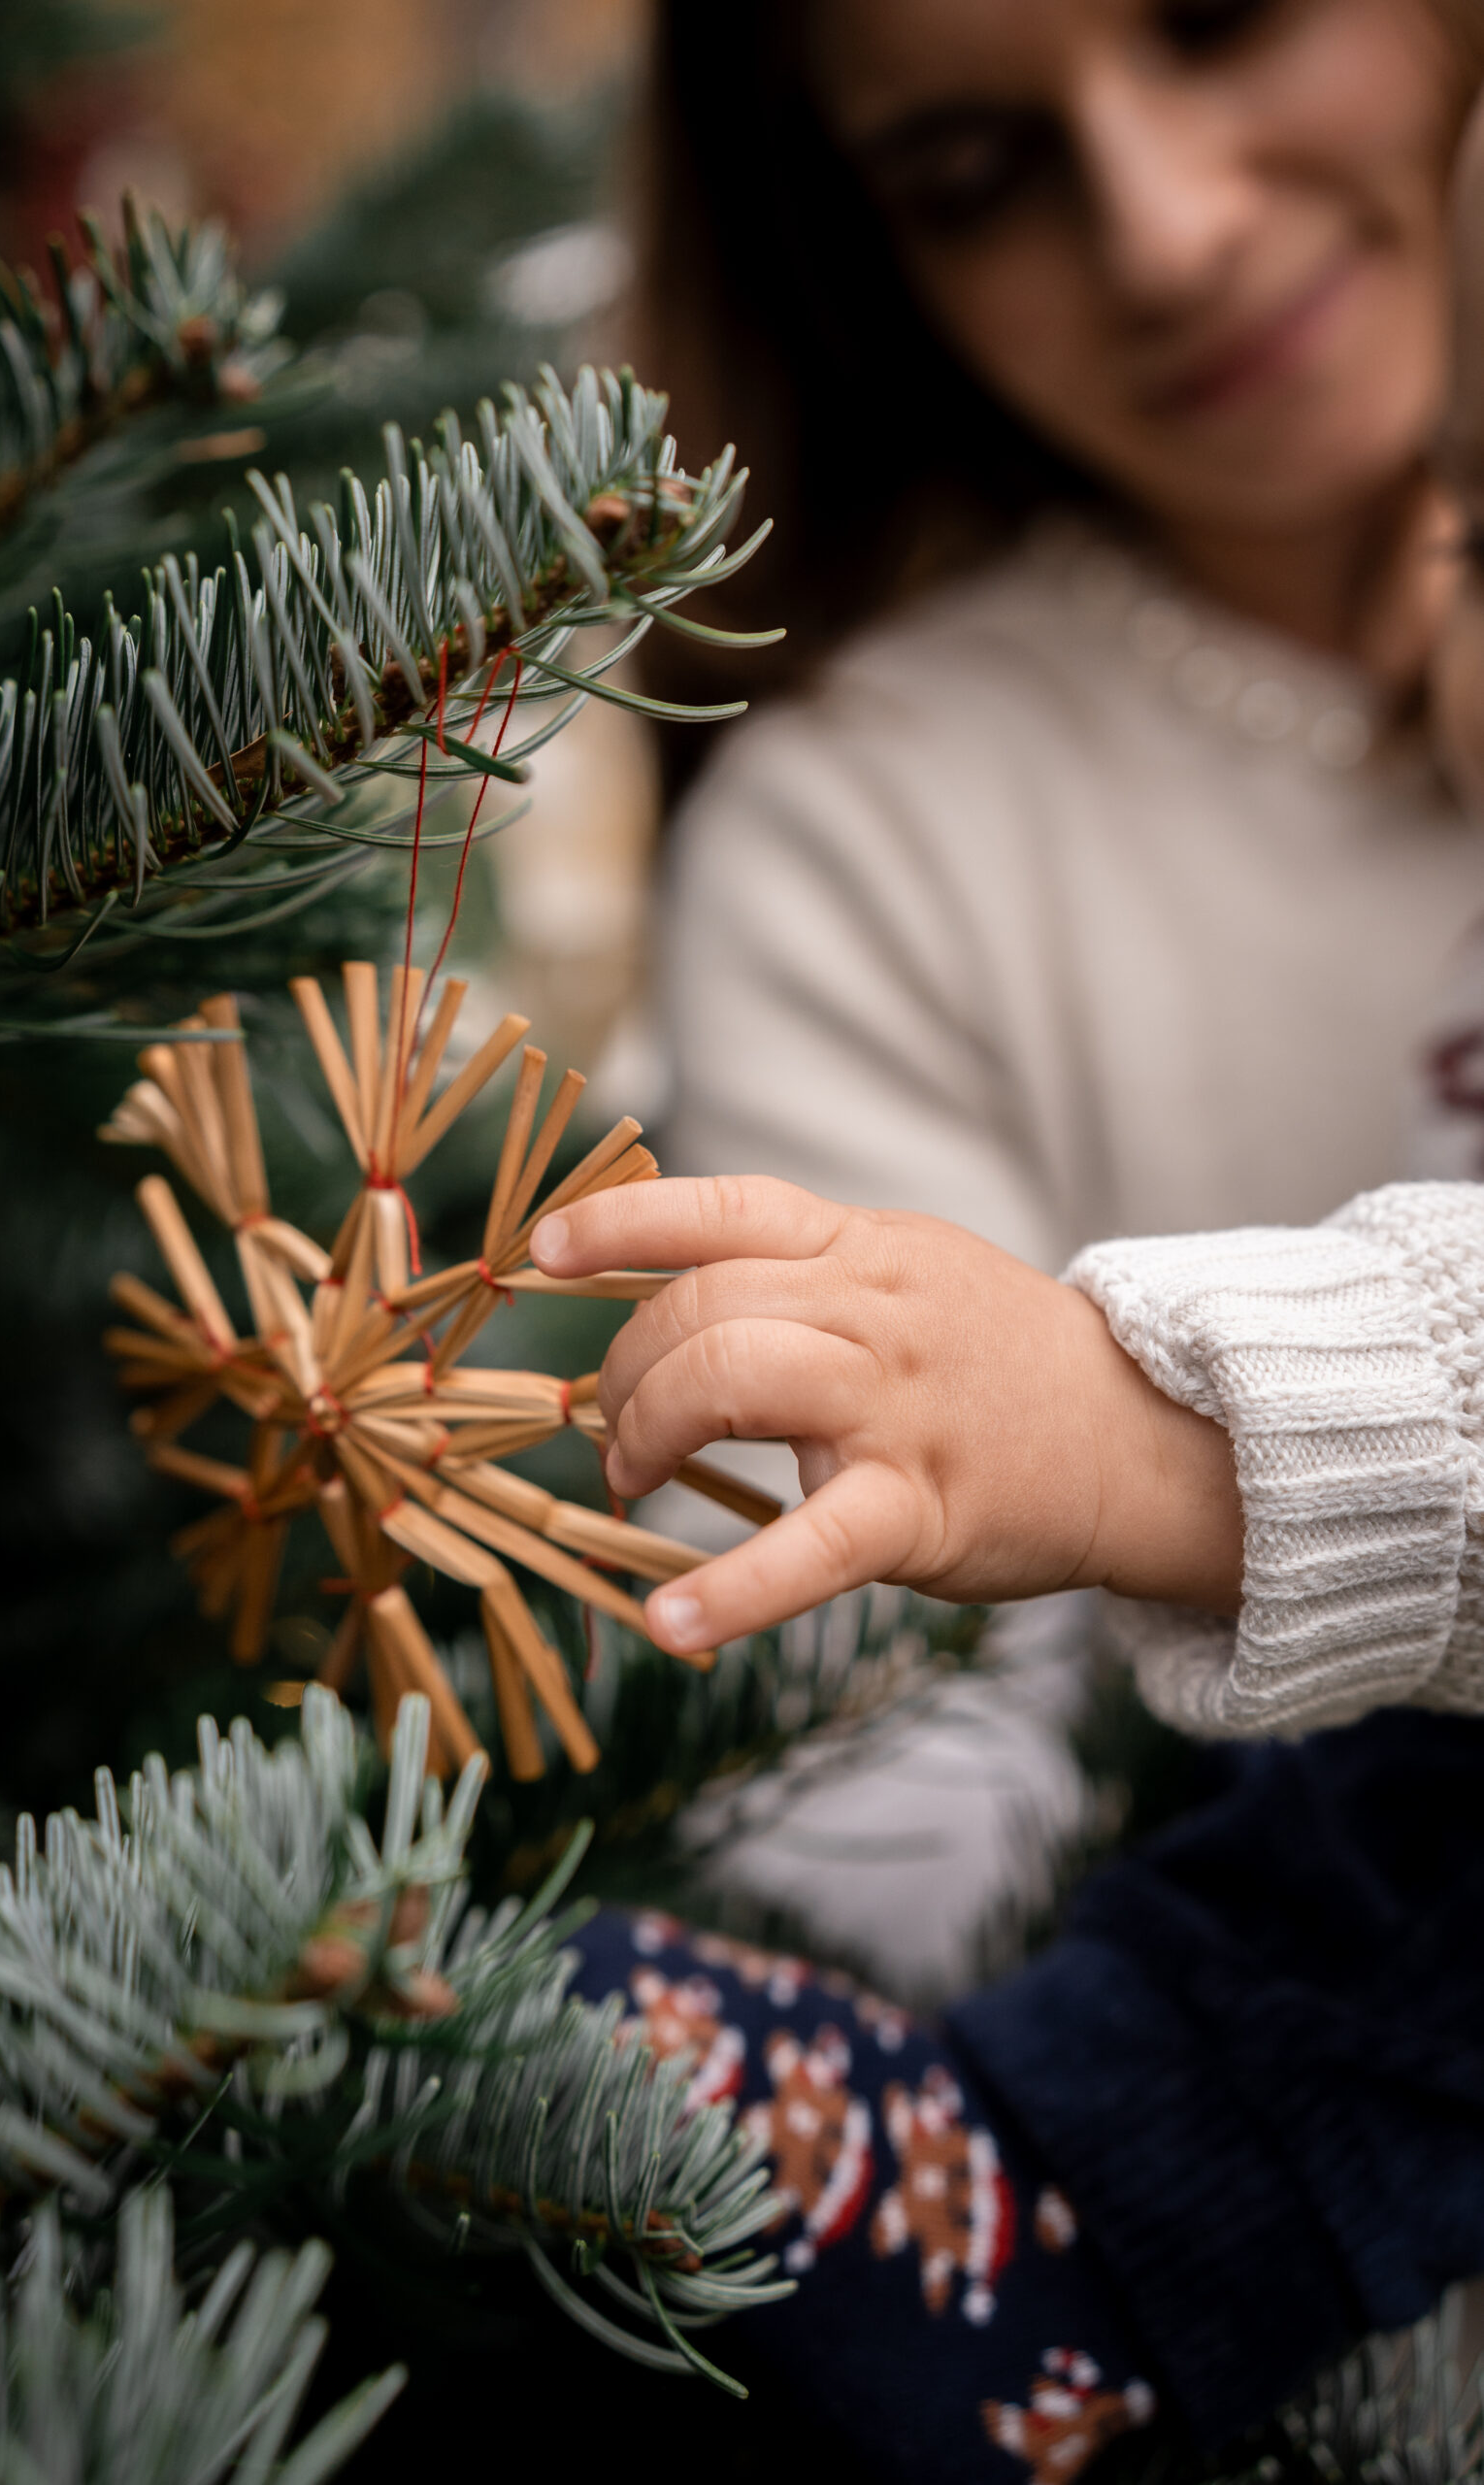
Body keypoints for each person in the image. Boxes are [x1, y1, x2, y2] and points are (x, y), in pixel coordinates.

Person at [540, 4, 1484, 2474]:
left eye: (1223, 9)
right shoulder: (879, 838)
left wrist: (1147, 1432)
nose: (1165, 229)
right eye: (974, 167)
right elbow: (860, 1785)